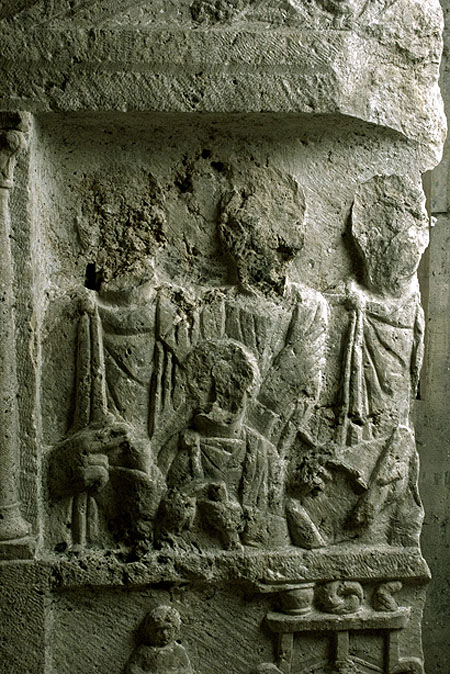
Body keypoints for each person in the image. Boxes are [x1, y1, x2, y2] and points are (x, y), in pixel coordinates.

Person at [124, 606, 193, 674]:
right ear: (151, 631)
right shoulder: (144, 651)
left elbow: (187, 671)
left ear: (176, 630)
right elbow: (132, 669)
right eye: (159, 630)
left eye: (169, 630)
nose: (164, 634)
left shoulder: (178, 651)